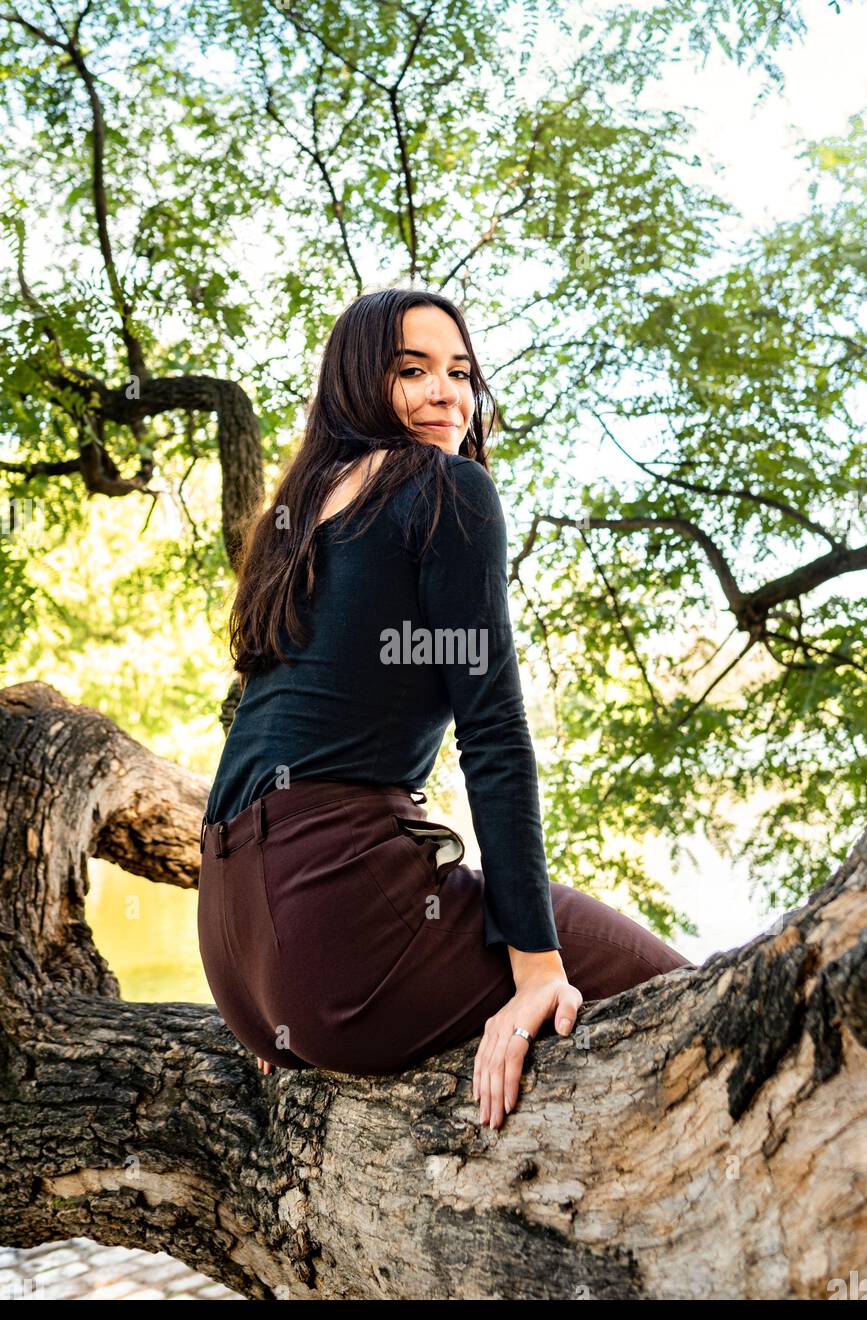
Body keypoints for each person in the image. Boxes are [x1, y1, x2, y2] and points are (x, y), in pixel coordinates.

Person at [197, 287, 693, 1131]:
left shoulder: (297, 519)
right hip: (335, 928)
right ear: (358, 381)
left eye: (459, 372)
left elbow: (256, 733)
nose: (446, 395)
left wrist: (275, 969)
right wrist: (535, 971)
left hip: (241, 954)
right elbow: (493, 735)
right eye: (411, 371)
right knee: (682, 992)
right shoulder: (443, 486)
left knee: (513, 912)